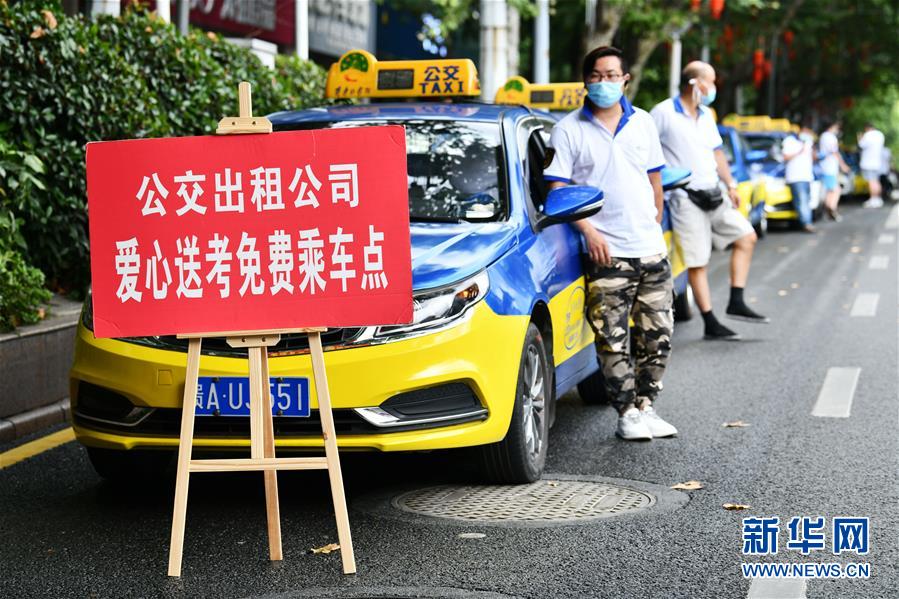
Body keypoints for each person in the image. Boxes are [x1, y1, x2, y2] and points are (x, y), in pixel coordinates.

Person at [544, 46, 676, 441]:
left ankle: (647, 406)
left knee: (658, 336)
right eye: (597, 76)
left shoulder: (644, 123)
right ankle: (626, 414)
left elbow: (655, 180)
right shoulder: (568, 129)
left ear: (625, 80)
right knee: (612, 338)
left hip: (650, 249)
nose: (604, 83)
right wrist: (590, 232)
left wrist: (655, 224)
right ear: (586, 81)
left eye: (612, 75)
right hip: (606, 252)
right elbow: (557, 191)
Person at [650, 61, 768, 342]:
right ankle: (710, 322)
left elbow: (717, 153)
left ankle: (736, 299)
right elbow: (648, 154)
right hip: (684, 197)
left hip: (714, 192)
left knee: (747, 237)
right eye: (710, 81)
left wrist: (731, 184)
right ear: (694, 83)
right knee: (698, 260)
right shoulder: (663, 113)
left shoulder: (706, 115)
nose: (713, 88)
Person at [781, 127, 816, 233]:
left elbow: (814, 157)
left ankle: (806, 221)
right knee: (802, 201)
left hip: (807, 176)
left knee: (806, 200)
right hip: (795, 177)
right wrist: (799, 151)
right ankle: (806, 223)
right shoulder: (789, 141)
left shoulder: (808, 142)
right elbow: (785, 157)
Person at [818, 121, 850, 221]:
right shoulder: (830, 137)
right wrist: (843, 165)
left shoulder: (823, 136)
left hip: (826, 167)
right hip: (829, 168)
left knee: (830, 191)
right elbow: (835, 152)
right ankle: (832, 209)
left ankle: (829, 210)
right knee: (836, 190)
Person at [858, 123, 885, 208]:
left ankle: (873, 199)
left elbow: (861, 145)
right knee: (876, 181)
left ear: (867, 128)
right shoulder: (880, 135)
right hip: (877, 162)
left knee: (871, 181)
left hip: (868, 163)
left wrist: (860, 138)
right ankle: (878, 199)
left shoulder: (867, 135)